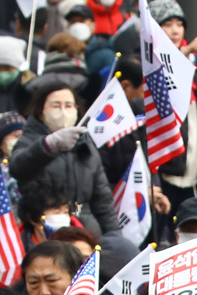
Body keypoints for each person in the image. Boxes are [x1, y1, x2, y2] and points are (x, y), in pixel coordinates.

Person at [9, 79, 119, 235]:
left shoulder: (85, 145)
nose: (63, 111)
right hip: (44, 230)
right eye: (56, 106)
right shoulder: (29, 140)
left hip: (86, 231)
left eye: (68, 106)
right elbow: (18, 167)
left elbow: (103, 200)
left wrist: (114, 235)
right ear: (41, 111)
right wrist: (49, 145)